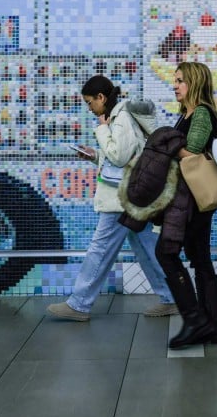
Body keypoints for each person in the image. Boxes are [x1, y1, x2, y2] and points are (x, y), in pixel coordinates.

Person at [47, 75, 177, 321]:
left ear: (101, 97)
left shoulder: (121, 118)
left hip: (121, 199)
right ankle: (174, 298)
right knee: (147, 249)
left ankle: (79, 303)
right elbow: (121, 158)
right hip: (132, 196)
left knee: (100, 248)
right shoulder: (118, 117)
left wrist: (101, 129)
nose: (89, 108)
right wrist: (95, 155)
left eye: (90, 102)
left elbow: (118, 156)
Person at [155, 61, 217, 348]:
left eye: (180, 80)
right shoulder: (188, 114)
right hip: (191, 199)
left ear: (194, 82)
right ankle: (211, 327)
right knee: (199, 258)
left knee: (166, 252)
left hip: (194, 200)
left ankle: (196, 320)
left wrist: (165, 143)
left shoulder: (202, 113)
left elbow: (192, 153)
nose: (175, 85)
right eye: (175, 81)